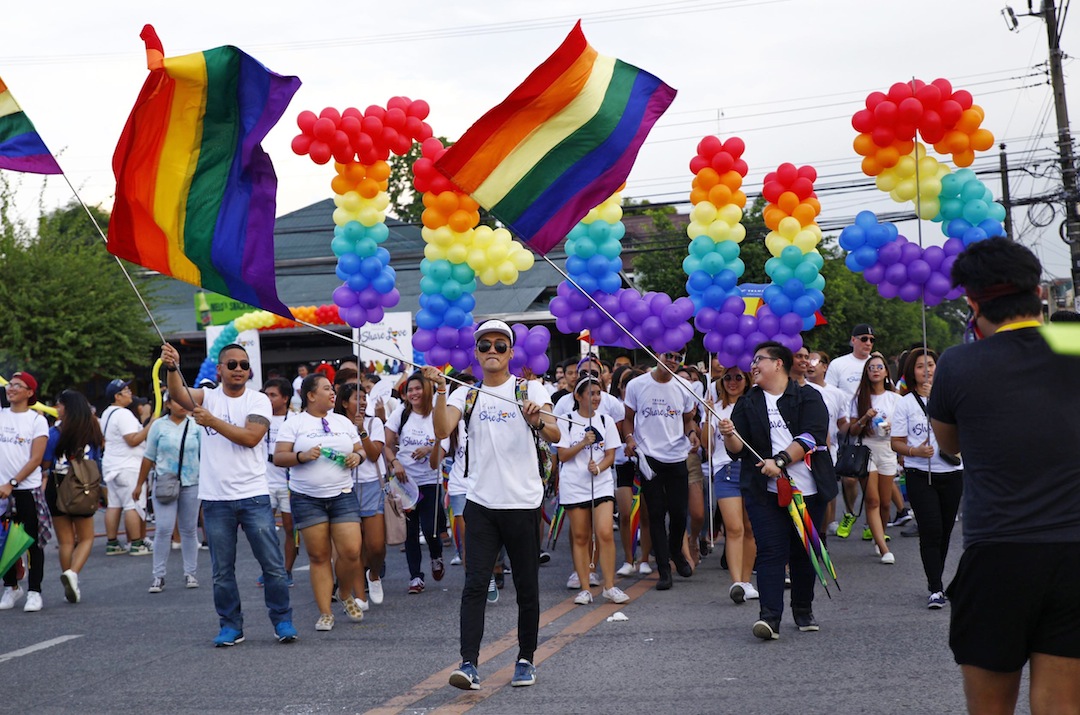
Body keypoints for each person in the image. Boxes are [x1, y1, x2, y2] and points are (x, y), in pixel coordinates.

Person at [927, 237, 1080, 714]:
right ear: (1039, 292)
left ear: (972, 305)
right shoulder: (1074, 345)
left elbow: (950, 445)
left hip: (998, 552)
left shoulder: (958, 362)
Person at [430, 319, 559, 690]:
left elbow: (555, 432)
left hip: (523, 503)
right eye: (485, 345)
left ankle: (525, 659)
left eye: (500, 345)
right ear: (476, 352)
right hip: (481, 503)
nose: (492, 351)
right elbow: (442, 430)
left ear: (511, 353)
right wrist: (441, 391)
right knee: (474, 585)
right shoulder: (465, 394)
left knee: (526, 587)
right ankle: (469, 664)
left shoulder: (529, 388)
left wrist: (536, 421)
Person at [161, 342, 298, 647]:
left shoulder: (258, 400)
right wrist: (172, 367)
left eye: (244, 365)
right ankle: (231, 626)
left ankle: (282, 620)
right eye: (232, 364)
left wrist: (212, 421)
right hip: (215, 499)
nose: (239, 369)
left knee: (273, 565)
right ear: (220, 369)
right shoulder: (206, 396)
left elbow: (251, 437)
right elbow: (178, 394)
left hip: (254, 496)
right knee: (222, 571)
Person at [720, 342, 836, 640]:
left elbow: (812, 436)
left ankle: (803, 608)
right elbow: (737, 450)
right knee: (770, 551)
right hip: (764, 492)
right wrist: (729, 434)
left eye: (759, 359)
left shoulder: (808, 396)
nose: (753, 365)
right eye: (753, 360)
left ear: (778, 364)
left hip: (807, 490)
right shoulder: (748, 402)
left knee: (803, 552)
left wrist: (780, 461)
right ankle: (769, 618)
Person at [274, 373, 365, 631]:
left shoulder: (343, 421)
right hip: (307, 498)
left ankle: (344, 593)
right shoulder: (294, 423)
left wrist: (357, 457)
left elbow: (360, 450)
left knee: (351, 552)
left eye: (332, 388)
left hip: (342, 494)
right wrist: (301, 456)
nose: (332, 392)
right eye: (326, 389)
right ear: (311, 395)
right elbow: (279, 457)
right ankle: (325, 613)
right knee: (319, 556)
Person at [890, 348, 962, 610]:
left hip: (952, 471)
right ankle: (935, 587)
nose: (927, 370)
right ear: (912, 371)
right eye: (920, 366)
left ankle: (937, 576)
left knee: (945, 531)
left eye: (930, 364)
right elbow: (896, 442)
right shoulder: (905, 403)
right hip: (920, 473)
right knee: (930, 529)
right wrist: (914, 451)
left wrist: (939, 402)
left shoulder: (951, 396)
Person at [622, 348, 698, 591]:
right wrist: (629, 439)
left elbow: (687, 419)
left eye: (678, 358)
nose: (673, 361)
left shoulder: (683, 387)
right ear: (658, 355)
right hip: (649, 457)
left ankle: (676, 550)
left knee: (679, 513)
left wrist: (692, 434)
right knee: (655, 513)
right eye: (669, 355)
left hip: (676, 456)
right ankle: (664, 569)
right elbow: (628, 419)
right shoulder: (637, 385)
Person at [556, 375, 628, 606]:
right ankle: (585, 588)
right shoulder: (566, 421)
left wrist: (598, 468)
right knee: (581, 536)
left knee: (605, 532)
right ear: (578, 396)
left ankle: (610, 586)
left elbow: (610, 455)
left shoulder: (606, 421)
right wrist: (582, 444)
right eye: (591, 393)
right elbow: (562, 455)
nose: (596, 398)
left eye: (599, 393)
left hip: (601, 483)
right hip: (574, 485)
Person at [385, 371, 448, 595]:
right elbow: (386, 444)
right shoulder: (401, 413)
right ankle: (415, 577)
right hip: (405, 482)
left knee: (430, 529)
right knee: (410, 532)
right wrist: (395, 463)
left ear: (427, 389)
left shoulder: (438, 413)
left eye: (418, 388)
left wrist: (430, 448)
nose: (413, 393)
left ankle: (436, 555)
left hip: (430, 481)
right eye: (410, 390)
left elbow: (442, 449)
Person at [134, 392, 202, 593]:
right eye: (177, 401)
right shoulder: (158, 426)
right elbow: (148, 456)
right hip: (165, 483)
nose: (182, 405)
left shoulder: (195, 426)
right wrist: (139, 485)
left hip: (192, 482)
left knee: (189, 529)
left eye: (185, 402)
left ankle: (191, 573)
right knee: (163, 529)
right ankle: (158, 575)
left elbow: (204, 455)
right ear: (168, 404)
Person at [700, 365, 757, 604]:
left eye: (738, 377)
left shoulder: (754, 405)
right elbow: (707, 446)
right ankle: (736, 582)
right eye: (727, 378)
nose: (732, 382)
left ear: (746, 380)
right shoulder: (716, 407)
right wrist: (707, 417)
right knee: (734, 528)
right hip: (726, 470)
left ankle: (746, 580)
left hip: (751, 470)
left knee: (750, 528)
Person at [42, 389, 103, 604]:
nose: (57, 409)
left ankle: (69, 578)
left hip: (57, 485)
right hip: (83, 485)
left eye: (59, 405)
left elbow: (46, 462)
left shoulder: (54, 432)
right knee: (86, 537)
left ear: (67, 408)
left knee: (66, 541)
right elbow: (97, 457)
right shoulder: (92, 428)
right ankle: (73, 574)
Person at [838, 352, 900, 564]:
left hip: (888, 449)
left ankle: (878, 534)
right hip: (866, 450)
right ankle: (883, 548)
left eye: (879, 367)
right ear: (866, 373)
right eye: (871, 368)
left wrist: (893, 428)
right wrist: (865, 418)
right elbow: (853, 430)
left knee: (885, 503)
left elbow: (904, 428)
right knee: (872, 500)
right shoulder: (859, 398)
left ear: (886, 372)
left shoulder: (895, 398)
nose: (875, 371)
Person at [335, 381, 387, 609]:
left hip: (372, 485)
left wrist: (362, 430)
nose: (363, 402)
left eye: (364, 397)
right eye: (357, 398)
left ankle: (373, 574)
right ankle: (360, 596)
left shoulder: (375, 423)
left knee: (376, 545)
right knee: (353, 546)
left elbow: (374, 455)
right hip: (345, 485)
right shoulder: (335, 424)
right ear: (345, 403)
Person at [0, 372, 49, 612]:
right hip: (2, 491)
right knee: (4, 541)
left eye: (18, 386)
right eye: (10, 384)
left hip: (26, 490)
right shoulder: (1, 415)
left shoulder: (36, 420)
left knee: (31, 541)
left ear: (30, 392)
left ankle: (34, 591)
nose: (11, 388)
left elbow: (36, 459)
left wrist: (12, 482)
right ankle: (11, 587)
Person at [100, 379, 154, 556]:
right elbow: (132, 440)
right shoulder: (123, 414)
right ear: (117, 396)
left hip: (111, 465)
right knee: (132, 504)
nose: (130, 393)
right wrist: (151, 425)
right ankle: (136, 543)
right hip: (128, 465)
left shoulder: (107, 413)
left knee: (114, 504)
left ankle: (112, 543)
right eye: (126, 391)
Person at [610, 367, 652, 576]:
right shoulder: (614, 406)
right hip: (622, 463)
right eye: (625, 385)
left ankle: (645, 559)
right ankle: (628, 559)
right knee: (625, 513)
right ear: (620, 387)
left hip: (645, 462)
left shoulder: (647, 405)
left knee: (646, 514)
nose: (629, 389)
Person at [261, 378, 296, 587]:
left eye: (273, 395)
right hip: (264, 483)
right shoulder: (258, 418)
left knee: (290, 530)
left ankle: (287, 571)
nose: (268, 399)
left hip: (289, 484)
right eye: (266, 394)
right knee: (263, 531)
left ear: (285, 398)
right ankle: (270, 571)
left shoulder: (295, 420)